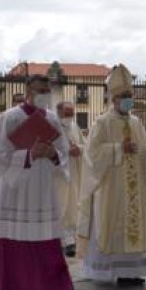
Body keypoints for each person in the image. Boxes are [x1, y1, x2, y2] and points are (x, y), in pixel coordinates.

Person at [0, 75, 79, 290]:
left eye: (47, 91)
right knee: (16, 241)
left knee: (48, 242)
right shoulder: (9, 117)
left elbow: (62, 152)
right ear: (28, 91)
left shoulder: (51, 118)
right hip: (17, 191)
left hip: (42, 189)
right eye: (41, 90)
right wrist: (30, 154)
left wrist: (51, 155)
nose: (45, 95)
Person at [77, 64, 146, 286]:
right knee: (111, 223)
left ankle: (131, 273)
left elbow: (141, 149)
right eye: (124, 96)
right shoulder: (102, 122)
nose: (128, 99)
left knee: (132, 225)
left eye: (130, 95)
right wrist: (117, 149)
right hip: (111, 186)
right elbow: (91, 153)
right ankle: (108, 271)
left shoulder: (136, 122)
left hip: (133, 188)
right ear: (113, 99)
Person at [0, 92, 26, 230]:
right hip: (7, 160)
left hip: (24, 161)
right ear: (13, 102)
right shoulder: (6, 117)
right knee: (0, 192)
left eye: (22, 100)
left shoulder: (28, 117)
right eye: (18, 101)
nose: (20, 103)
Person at [55, 100, 85, 257]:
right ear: (59, 112)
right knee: (61, 206)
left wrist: (78, 149)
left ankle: (69, 240)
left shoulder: (75, 127)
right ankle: (64, 241)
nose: (70, 116)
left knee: (72, 206)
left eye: (72, 113)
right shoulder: (52, 128)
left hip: (73, 172)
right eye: (67, 114)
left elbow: (84, 145)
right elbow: (48, 150)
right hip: (58, 175)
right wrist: (67, 152)